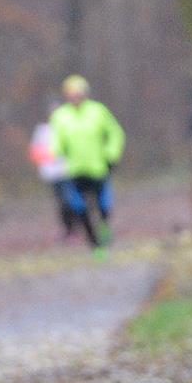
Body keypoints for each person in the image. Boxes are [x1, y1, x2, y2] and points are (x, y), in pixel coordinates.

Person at [49, 74, 125, 256]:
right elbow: (55, 141)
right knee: (79, 208)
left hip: (98, 167)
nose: (75, 97)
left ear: (85, 93)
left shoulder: (98, 111)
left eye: (79, 93)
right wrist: (57, 153)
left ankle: (105, 227)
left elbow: (115, 133)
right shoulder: (60, 116)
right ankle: (95, 244)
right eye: (72, 93)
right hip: (74, 170)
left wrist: (111, 155)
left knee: (103, 206)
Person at [28, 106, 77, 240]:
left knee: (71, 200)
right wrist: (49, 158)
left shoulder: (69, 127)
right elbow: (34, 152)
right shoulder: (42, 131)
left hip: (69, 171)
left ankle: (76, 228)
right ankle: (69, 230)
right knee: (62, 202)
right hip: (52, 174)